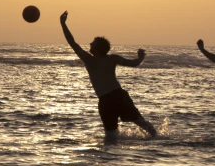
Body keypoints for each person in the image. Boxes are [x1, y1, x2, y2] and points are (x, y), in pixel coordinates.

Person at [60, 11, 156, 139]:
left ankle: (156, 138)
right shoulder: (110, 58)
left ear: (97, 48)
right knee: (121, 129)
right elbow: (134, 63)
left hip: (113, 98)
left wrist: (62, 23)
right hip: (112, 98)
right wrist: (141, 57)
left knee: (122, 130)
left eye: (93, 43)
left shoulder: (90, 60)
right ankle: (156, 137)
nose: (90, 44)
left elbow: (72, 43)